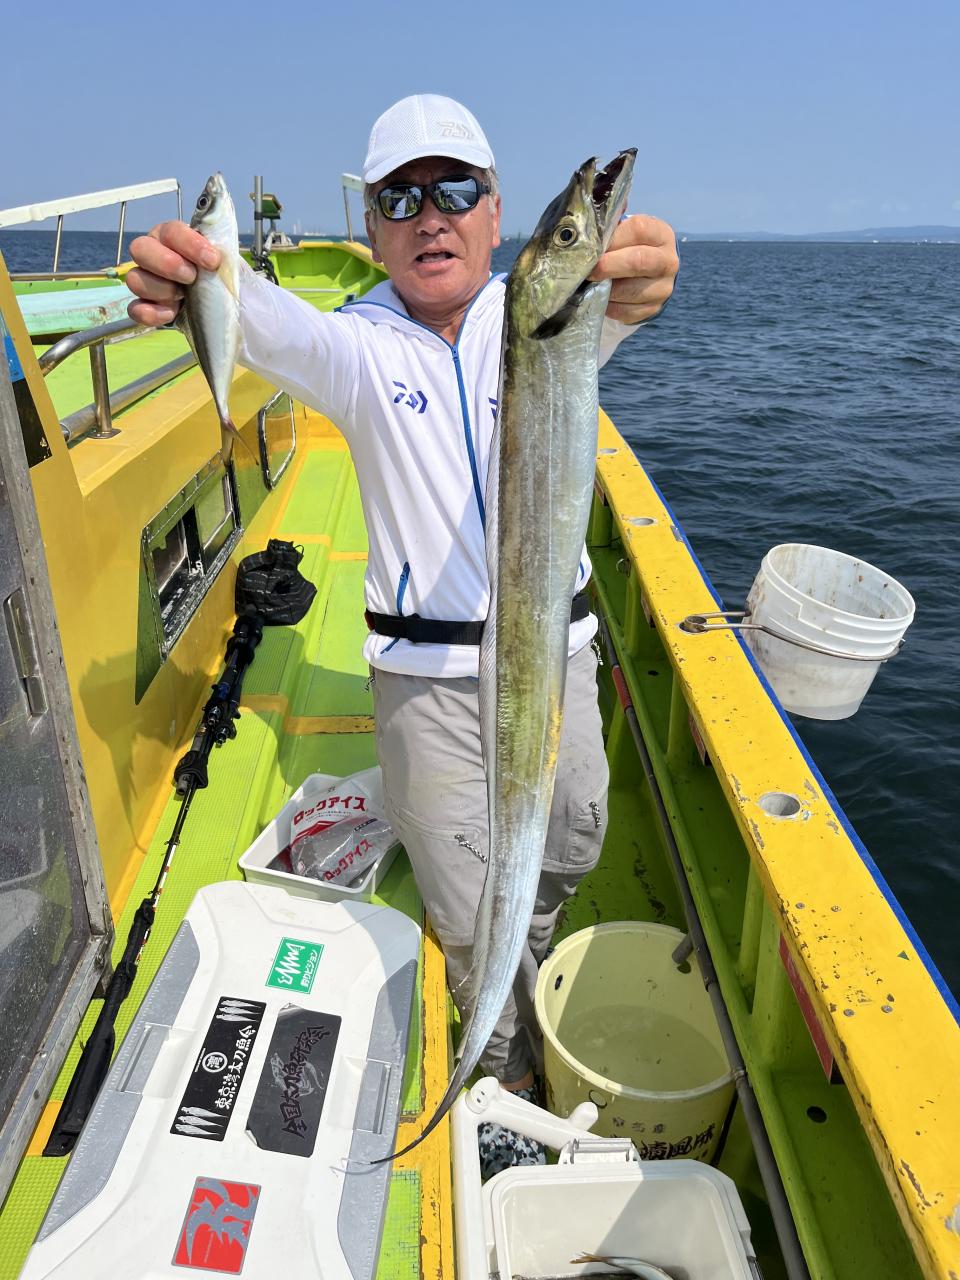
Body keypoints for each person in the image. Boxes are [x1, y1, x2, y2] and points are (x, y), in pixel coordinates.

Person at [127, 94, 678, 1176]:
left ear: (497, 213)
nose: (432, 216)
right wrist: (195, 275)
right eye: (400, 199)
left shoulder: (549, 312)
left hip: (554, 652)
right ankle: (500, 1068)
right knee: (467, 908)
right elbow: (255, 311)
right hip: (425, 676)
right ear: (373, 230)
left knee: (576, 833)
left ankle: (525, 943)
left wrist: (641, 272)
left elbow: (627, 287)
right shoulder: (355, 347)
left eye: (457, 190)